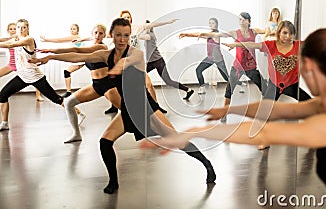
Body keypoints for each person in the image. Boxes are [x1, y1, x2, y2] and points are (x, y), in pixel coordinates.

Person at [142, 28, 326, 209]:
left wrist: (193, 133)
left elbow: (265, 134)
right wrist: (230, 110)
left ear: (308, 65)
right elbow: (274, 110)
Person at [34, 18, 216, 193]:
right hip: (128, 109)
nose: (122, 39)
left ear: (130, 36)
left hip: (144, 107)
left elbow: (126, 63)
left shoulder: (136, 54)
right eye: (118, 35)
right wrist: (51, 57)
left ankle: (207, 165)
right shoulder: (104, 55)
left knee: (175, 138)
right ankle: (113, 181)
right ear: (112, 35)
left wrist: (116, 68)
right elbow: (77, 55)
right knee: (105, 142)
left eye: (126, 35)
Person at [34, 24, 116, 143]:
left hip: (108, 85)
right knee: (68, 103)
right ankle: (76, 134)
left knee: (128, 112)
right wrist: (52, 55)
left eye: (101, 33)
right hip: (96, 85)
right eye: (96, 32)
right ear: (91, 33)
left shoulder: (102, 47)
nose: (98, 35)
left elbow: (77, 50)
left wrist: (52, 53)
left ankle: (148, 127)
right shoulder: (91, 45)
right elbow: (75, 55)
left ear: (104, 35)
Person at [0, 19, 64, 131]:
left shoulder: (29, 39)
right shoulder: (16, 37)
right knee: (3, 95)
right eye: (18, 27)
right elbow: (7, 40)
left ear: (28, 29)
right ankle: (4, 123)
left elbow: (12, 44)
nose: (21, 29)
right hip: (22, 76)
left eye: (23, 27)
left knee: (57, 99)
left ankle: (78, 113)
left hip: (35, 76)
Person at [224, 20, 311, 102]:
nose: (288, 36)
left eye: (291, 33)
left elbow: (315, 45)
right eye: (285, 33)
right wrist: (236, 44)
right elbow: (254, 45)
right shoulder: (271, 45)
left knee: (311, 103)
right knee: (265, 111)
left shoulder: (299, 45)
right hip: (274, 85)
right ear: (279, 33)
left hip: (291, 85)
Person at [201, 12, 266, 120]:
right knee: (228, 91)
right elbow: (219, 34)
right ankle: (224, 113)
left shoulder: (253, 32)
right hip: (237, 67)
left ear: (249, 21)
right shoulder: (236, 33)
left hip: (251, 68)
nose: (241, 22)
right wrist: (198, 34)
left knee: (265, 89)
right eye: (240, 19)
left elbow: (266, 31)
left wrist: (270, 31)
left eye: (244, 19)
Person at [143, 19, 195, 100]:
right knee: (140, 74)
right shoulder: (148, 34)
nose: (147, 28)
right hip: (150, 62)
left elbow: (140, 36)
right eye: (145, 26)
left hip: (158, 62)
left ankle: (188, 90)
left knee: (168, 81)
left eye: (148, 26)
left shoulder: (150, 36)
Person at [179, 18, 229, 94]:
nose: (211, 25)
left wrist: (197, 34)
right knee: (198, 70)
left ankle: (240, 84)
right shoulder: (209, 34)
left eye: (213, 23)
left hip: (218, 59)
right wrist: (187, 34)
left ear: (216, 25)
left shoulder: (216, 34)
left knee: (226, 77)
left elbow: (201, 34)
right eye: (210, 23)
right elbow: (198, 35)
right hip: (210, 58)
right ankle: (202, 87)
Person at [40, 24, 90, 98]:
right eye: (71, 29)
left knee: (67, 72)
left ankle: (69, 92)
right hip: (80, 59)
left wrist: (47, 40)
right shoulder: (77, 38)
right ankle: (68, 92)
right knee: (67, 72)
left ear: (77, 30)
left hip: (81, 59)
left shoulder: (75, 37)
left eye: (74, 29)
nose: (72, 30)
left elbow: (59, 40)